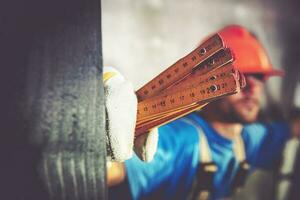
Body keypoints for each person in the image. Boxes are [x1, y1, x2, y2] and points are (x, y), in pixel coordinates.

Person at [106, 25, 291, 200]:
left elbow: (290, 129)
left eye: (258, 77)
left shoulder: (250, 138)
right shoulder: (181, 139)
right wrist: (99, 150)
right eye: (238, 76)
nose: (251, 87)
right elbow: (113, 172)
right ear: (203, 82)